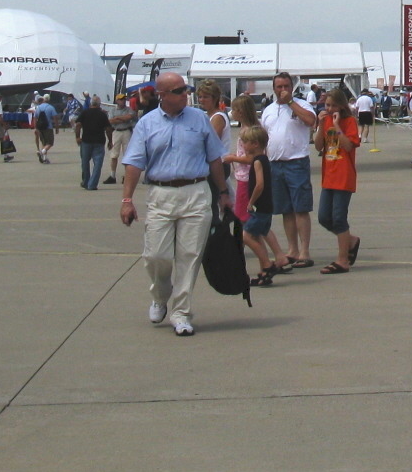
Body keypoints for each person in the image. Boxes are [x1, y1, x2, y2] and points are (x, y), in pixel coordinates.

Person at [119, 71, 228, 336]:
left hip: (196, 192)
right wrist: (127, 199)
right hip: (161, 193)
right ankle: (160, 294)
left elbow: (215, 158)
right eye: (179, 91)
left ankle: (181, 313)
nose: (186, 95)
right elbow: (134, 162)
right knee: (156, 255)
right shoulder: (147, 123)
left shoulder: (200, 119)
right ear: (163, 95)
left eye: (186, 90)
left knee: (189, 256)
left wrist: (223, 192)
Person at [261, 71, 317, 269]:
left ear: (291, 87)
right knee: (285, 209)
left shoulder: (302, 105)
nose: (282, 90)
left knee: (300, 207)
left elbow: (311, 121)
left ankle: (304, 251)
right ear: (274, 88)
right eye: (279, 87)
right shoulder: (268, 110)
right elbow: (263, 136)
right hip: (275, 163)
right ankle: (292, 249)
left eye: (286, 86)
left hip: (296, 162)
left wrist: (291, 102)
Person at [314, 89, 362, 274]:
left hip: (344, 175)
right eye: (327, 105)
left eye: (334, 105)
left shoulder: (349, 122)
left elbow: (349, 145)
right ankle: (350, 240)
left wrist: (337, 127)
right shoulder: (325, 121)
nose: (330, 108)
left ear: (342, 106)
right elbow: (318, 146)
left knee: (339, 217)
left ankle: (343, 260)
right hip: (329, 175)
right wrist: (320, 125)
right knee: (324, 217)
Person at [234, 126, 281, 286]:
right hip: (266, 207)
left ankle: (268, 264)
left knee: (246, 236)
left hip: (260, 208)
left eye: (245, 143)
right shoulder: (263, 159)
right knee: (257, 235)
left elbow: (259, 184)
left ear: (255, 144)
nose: (244, 146)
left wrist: (251, 202)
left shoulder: (258, 162)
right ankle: (264, 271)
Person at [75, 94, 110, 189]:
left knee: (85, 162)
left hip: (86, 141)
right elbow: (108, 128)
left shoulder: (85, 112)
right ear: (99, 104)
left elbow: (78, 125)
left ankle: (86, 181)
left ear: (90, 104)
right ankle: (92, 184)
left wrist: (77, 137)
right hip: (99, 141)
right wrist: (110, 141)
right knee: (98, 164)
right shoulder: (103, 114)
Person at [103, 93, 136, 185]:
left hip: (126, 131)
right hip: (116, 131)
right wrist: (121, 119)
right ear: (117, 100)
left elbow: (129, 117)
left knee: (127, 154)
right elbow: (110, 121)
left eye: (124, 99)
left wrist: (117, 118)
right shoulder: (112, 110)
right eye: (121, 99)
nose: (123, 101)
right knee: (114, 154)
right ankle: (112, 175)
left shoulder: (129, 110)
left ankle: (127, 176)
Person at [32, 92, 57, 164]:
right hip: (48, 127)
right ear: (49, 99)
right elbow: (55, 118)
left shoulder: (38, 107)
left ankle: (45, 159)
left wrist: (35, 127)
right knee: (50, 143)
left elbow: (35, 118)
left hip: (40, 128)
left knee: (43, 142)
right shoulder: (51, 107)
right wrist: (57, 127)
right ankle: (42, 152)